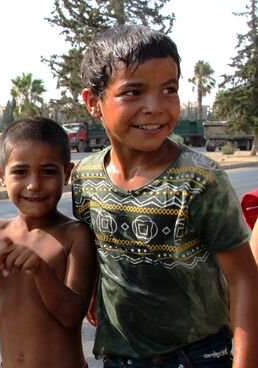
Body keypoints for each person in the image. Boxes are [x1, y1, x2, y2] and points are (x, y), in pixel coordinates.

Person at [73, 24, 258, 367]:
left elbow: (243, 278)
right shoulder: (85, 178)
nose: (155, 107)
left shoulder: (199, 180)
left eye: (169, 89)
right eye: (133, 92)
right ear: (93, 102)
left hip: (199, 356)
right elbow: (91, 252)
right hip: (121, 357)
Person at [0, 117, 97, 368]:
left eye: (48, 171)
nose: (34, 184)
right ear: (2, 175)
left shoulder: (75, 235)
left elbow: (72, 315)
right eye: (21, 172)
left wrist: (40, 270)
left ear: (67, 173)